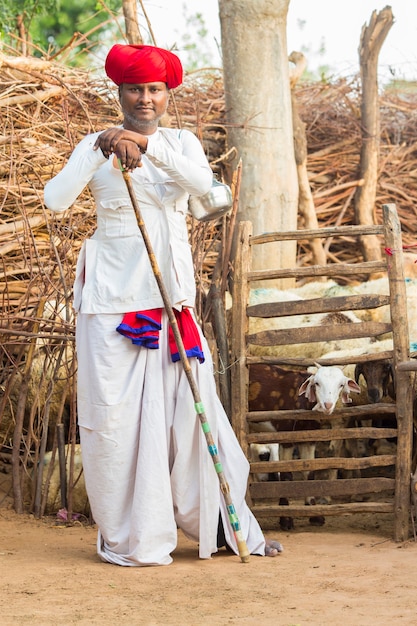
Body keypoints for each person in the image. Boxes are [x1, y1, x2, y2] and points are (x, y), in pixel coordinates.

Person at [44, 43, 282, 566]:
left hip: (171, 300)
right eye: (135, 89)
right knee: (117, 423)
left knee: (192, 420)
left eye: (154, 90)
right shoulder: (96, 142)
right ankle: (135, 537)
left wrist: (144, 147)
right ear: (120, 92)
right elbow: (56, 199)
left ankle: (222, 528)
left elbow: (203, 189)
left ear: (167, 94)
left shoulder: (182, 142)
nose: (145, 99)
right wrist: (102, 147)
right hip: (111, 306)